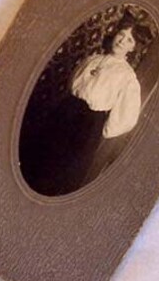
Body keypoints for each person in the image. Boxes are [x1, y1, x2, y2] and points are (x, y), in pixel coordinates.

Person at [23, 17, 147, 196]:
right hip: (66, 112)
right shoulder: (93, 59)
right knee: (41, 157)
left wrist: (98, 127)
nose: (122, 41)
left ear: (133, 48)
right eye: (122, 34)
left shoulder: (127, 77)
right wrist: (71, 106)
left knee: (61, 171)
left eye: (129, 40)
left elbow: (128, 118)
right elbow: (73, 82)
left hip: (86, 126)